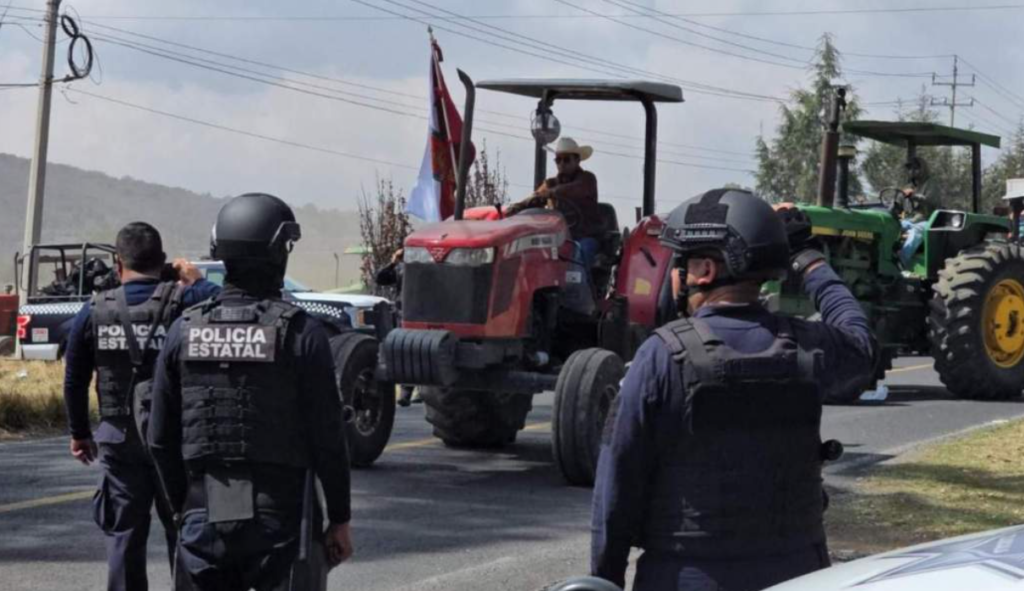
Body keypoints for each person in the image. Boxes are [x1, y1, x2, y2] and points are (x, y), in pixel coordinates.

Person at [591, 189, 877, 591]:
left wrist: (604, 581)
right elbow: (860, 343)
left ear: (705, 270)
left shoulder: (660, 357)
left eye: (683, 263)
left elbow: (615, 492)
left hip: (684, 575)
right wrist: (809, 258)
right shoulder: (808, 347)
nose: (677, 276)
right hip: (799, 574)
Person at [148, 193, 354, 590]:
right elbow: (328, 438)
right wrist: (340, 520)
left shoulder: (183, 331)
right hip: (279, 520)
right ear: (280, 252)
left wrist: (184, 510)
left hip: (200, 515)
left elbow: (160, 439)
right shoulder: (301, 333)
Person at [63, 222, 221, 591]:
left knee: (124, 535)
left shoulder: (94, 311)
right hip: (176, 438)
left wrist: (79, 433)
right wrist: (195, 280)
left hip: (118, 437)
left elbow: (74, 380)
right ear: (164, 262)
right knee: (184, 529)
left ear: (118, 265)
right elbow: (227, 304)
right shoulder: (185, 301)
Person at [507, 137, 604, 268]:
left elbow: (574, 189)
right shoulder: (550, 184)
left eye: (566, 159)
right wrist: (517, 207)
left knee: (581, 252)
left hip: (585, 236)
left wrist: (551, 193)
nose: (562, 164)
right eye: (558, 160)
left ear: (577, 160)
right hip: (557, 237)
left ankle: (581, 285)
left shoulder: (587, 179)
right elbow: (536, 196)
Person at [375, 248, 419, 406]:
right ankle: (406, 393)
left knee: (420, 352)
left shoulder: (429, 267)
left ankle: (420, 391)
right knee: (405, 352)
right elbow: (381, 279)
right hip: (405, 314)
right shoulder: (402, 268)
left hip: (423, 314)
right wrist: (393, 263)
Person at [899, 157, 939, 268]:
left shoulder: (931, 184)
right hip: (909, 220)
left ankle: (901, 262)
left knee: (915, 233)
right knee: (891, 225)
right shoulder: (909, 186)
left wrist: (914, 196)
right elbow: (898, 201)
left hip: (927, 221)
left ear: (922, 169)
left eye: (915, 169)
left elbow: (931, 201)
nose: (912, 171)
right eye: (910, 169)